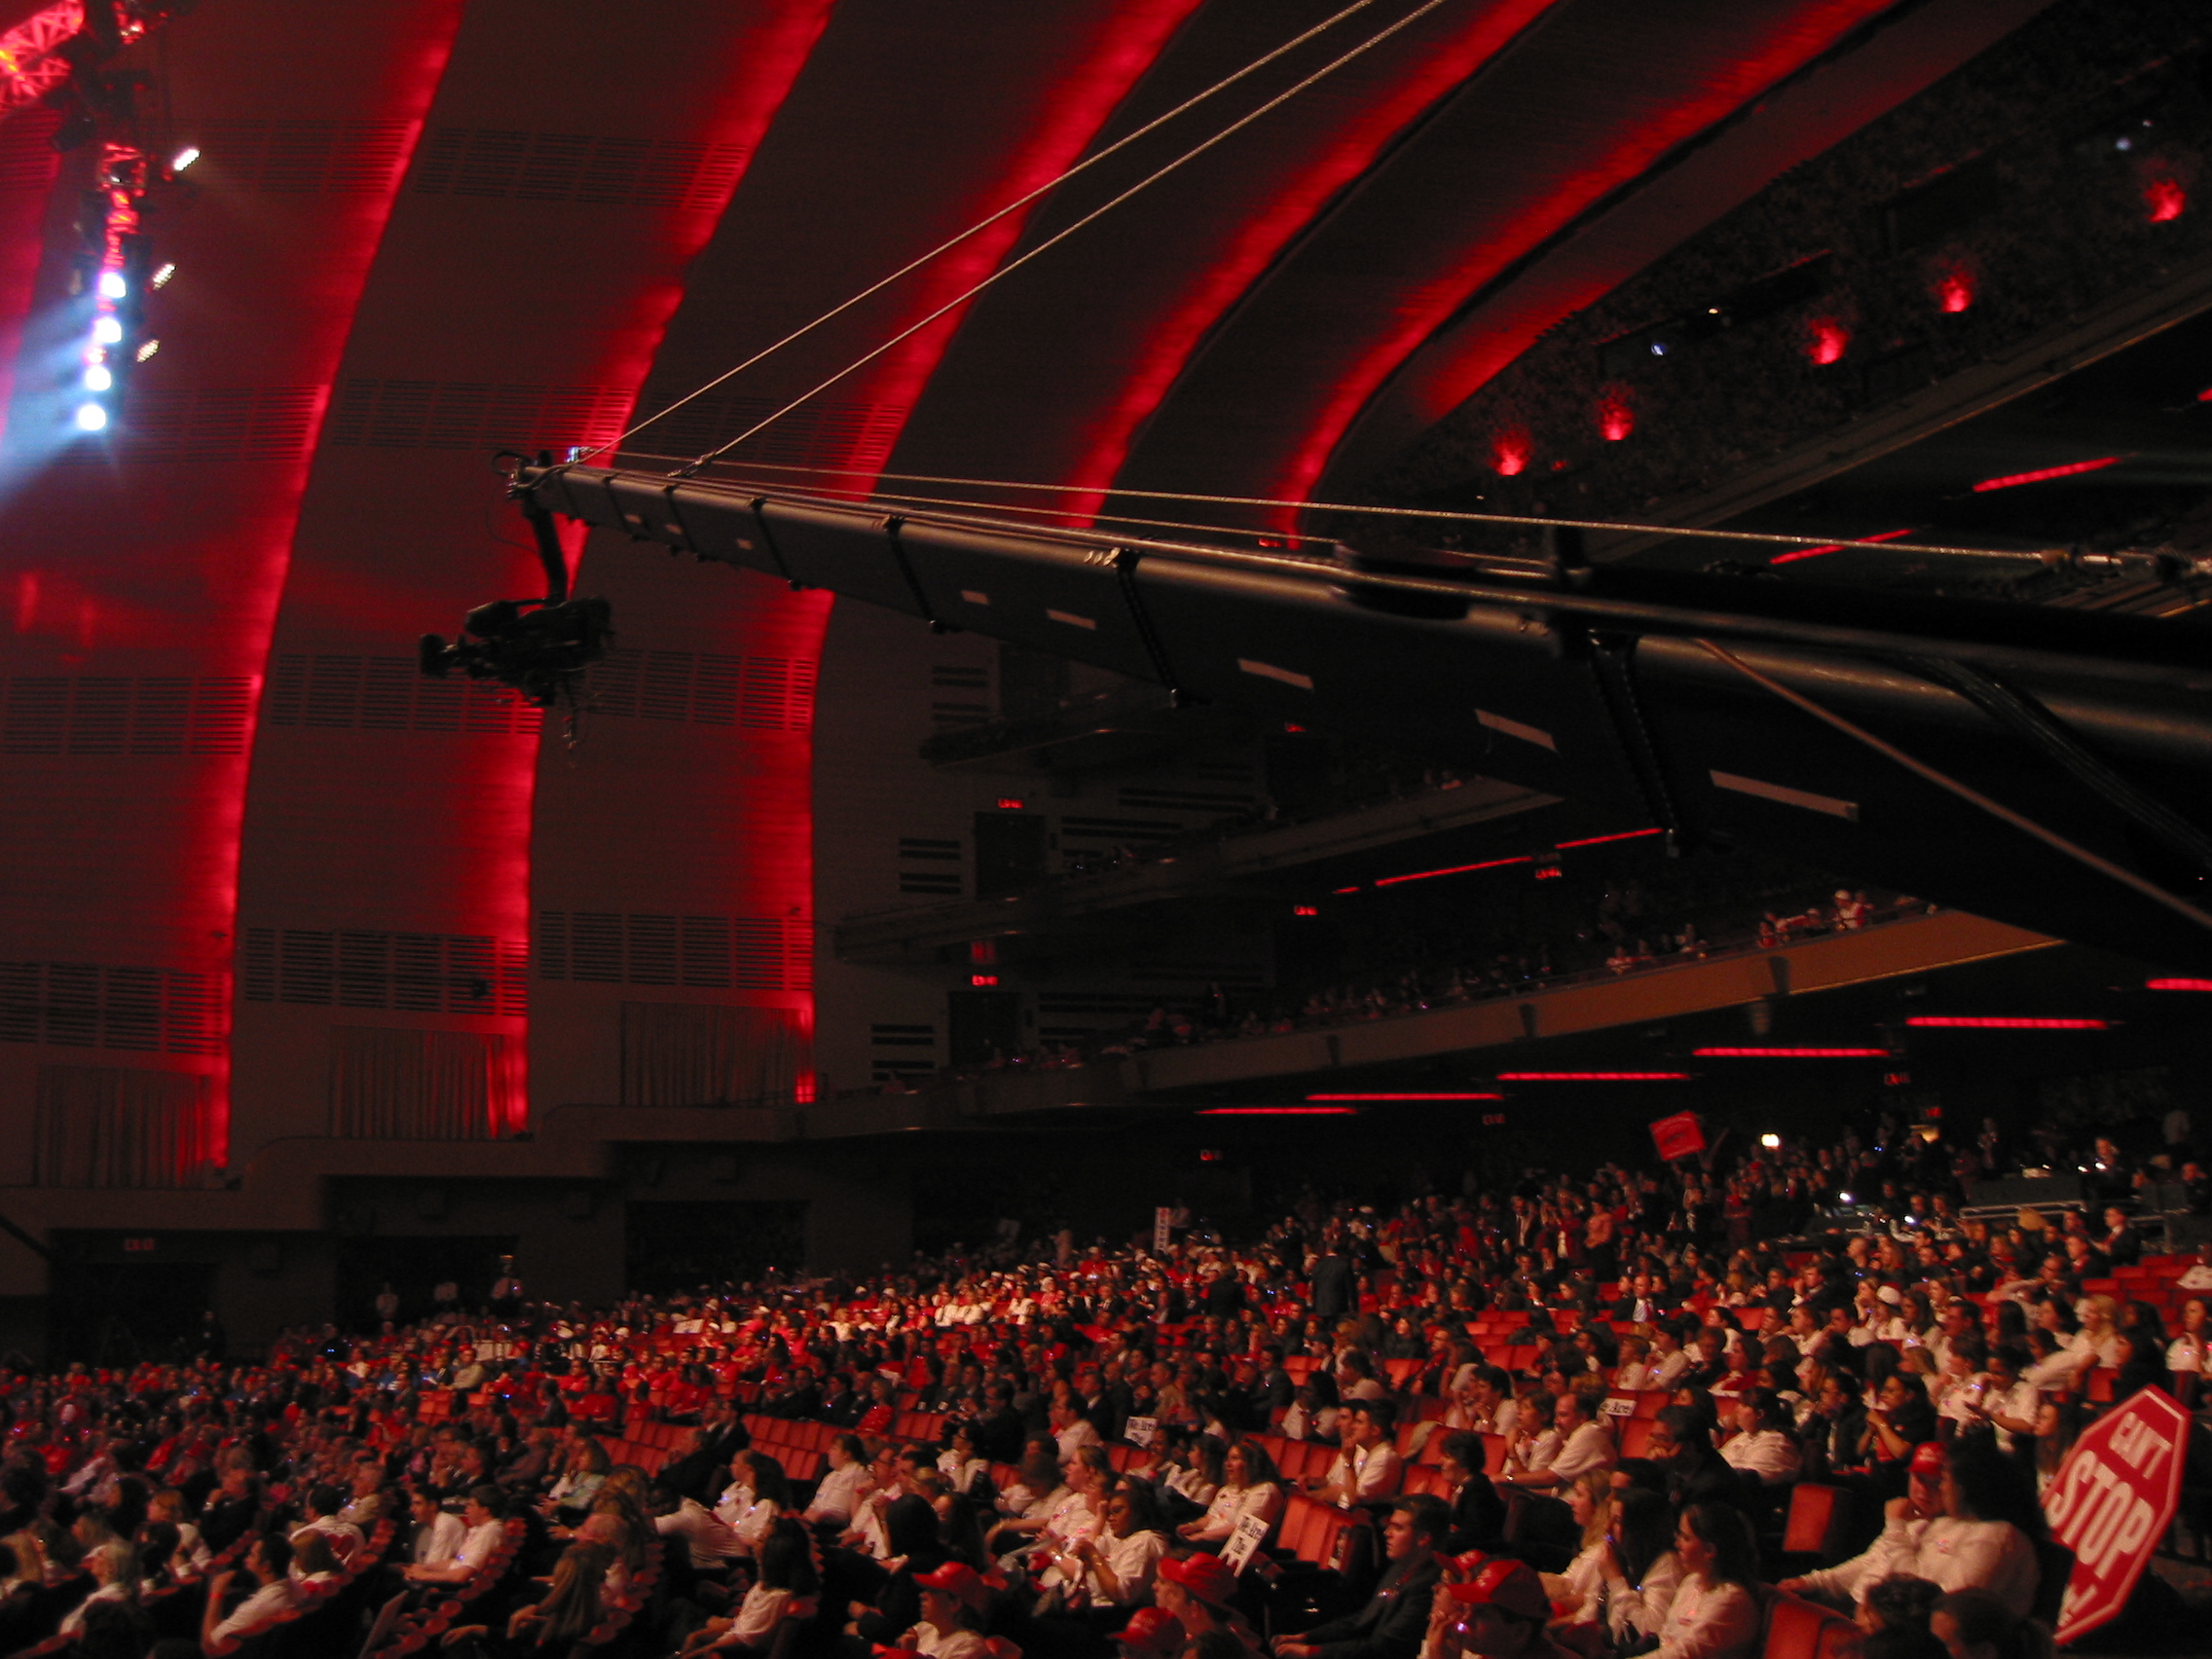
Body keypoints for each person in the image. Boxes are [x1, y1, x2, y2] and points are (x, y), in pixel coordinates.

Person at [1270, 1494, 1448, 1659]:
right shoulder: (1399, 1567)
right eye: (1390, 1525)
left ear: (1423, 1538)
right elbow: (1363, 1619)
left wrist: (1313, 1651)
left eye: (1398, 1528)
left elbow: (1385, 1648)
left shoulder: (1428, 1586)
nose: (1387, 1533)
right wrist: (1306, 1637)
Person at [1653, 1503, 1762, 1659]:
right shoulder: (1691, 1582)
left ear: (1710, 1550)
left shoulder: (1731, 1599)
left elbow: (1685, 1653)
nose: (1678, 1544)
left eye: (1686, 1538)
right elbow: (1666, 1636)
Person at [1440, 1558, 1576, 1659]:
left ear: (1519, 1632)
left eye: (1480, 1613)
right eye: (1465, 1609)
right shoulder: (1498, 1653)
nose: (1464, 1620)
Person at [200, 1532, 303, 1658]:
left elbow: (210, 1642)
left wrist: (216, 1592)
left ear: (266, 1566)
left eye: (252, 1555)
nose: (246, 1559)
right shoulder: (297, 1588)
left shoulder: (258, 1606)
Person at [1180, 1439, 1284, 1547]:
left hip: (1229, 1546)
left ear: (1252, 1463)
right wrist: (1193, 1526)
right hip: (1208, 1541)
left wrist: (1201, 1536)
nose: (1227, 1464)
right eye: (1228, 1458)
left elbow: (1240, 1528)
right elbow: (1210, 1517)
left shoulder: (1264, 1491)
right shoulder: (1228, 1490)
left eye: (1235, 1458)